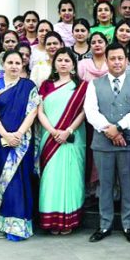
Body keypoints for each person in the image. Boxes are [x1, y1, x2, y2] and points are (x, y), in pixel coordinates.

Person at [84, 44, 130, 243]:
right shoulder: (94, 84)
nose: (117, 62)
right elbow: (91, 111)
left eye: (120, 58)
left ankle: (128, 225)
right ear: (107, 61)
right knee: (105, 184)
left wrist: (118, 128)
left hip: (128, 143)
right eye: (113, 58)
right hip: (102, 143)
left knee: (128, 184)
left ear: (126, 60)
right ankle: (104, 225)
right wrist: (108, 130)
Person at [0, 50, 40, 241]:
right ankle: (5, 224)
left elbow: (32, 112)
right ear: (3, 64)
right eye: (10, 62)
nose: (14, 66)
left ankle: (20, 225)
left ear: (23, 65)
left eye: (18, 63)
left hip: (22, 140)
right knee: (5, 180)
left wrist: (18, 134)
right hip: (1, 139)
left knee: (20, 180)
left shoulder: (29, 85)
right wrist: (6, 135)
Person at [37, 48, 88, 235]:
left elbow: (84, 112)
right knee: (51, 178)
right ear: (55, 63)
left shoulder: (82, 86)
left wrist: (68, 130)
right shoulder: (45, 85)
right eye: (60, 60)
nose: (63, 63)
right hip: (49, 138)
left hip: (73, 138)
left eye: (67, 60)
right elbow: (39, 111)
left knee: (71, 178)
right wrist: (53, 131)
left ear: (73, 64)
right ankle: (51, 220)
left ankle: (68, 221)